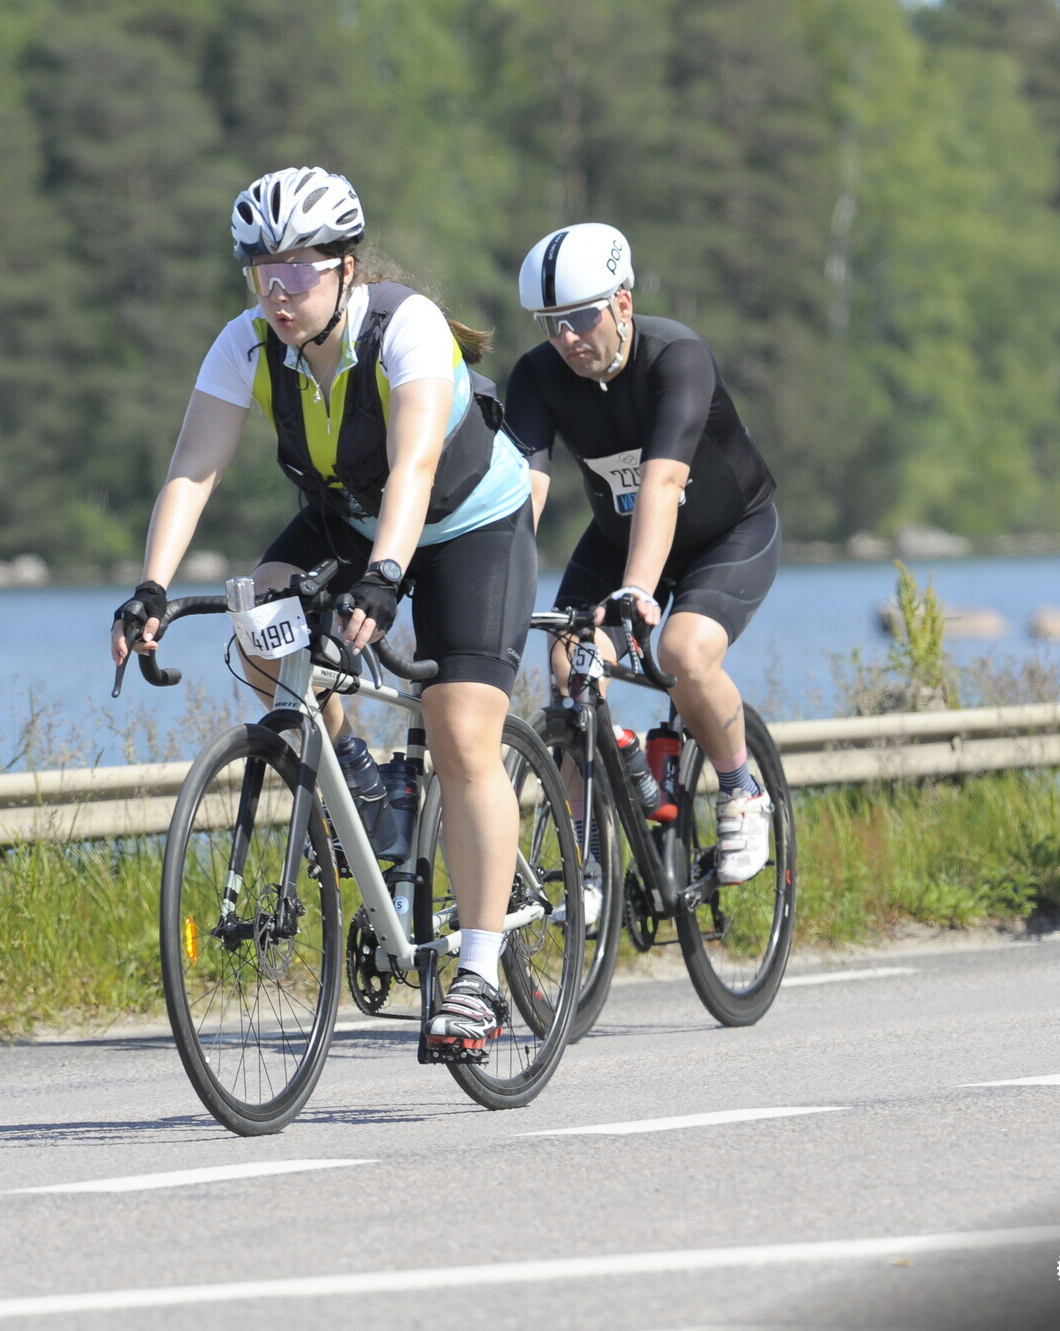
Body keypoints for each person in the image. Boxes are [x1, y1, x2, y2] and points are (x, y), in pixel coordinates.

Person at [110, 167, 540, 1060]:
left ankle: (478, 975)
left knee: (461, 730)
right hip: (351, 517)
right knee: (257, 621)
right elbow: (193, 469)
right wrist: (151, 586)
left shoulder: (406, 327)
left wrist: (385, 576)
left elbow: (415, 467)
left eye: (299, 270)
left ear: (346, 267)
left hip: (470, 523)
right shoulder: (245, 345)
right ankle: (362, 784)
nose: (278, 290)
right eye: (262, 270)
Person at [507, 223, 782, 889]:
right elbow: (524, 493)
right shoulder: (538, 376)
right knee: (571, 667)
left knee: (683, 652)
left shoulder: (676, 356)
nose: (566, 339)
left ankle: (742, 790)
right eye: (550, 324)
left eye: (580, 318)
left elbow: (661, 484)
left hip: (728, 534)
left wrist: (636, 590)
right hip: (619, 538)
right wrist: (492, 582)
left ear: (622, 304)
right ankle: (588, 857)